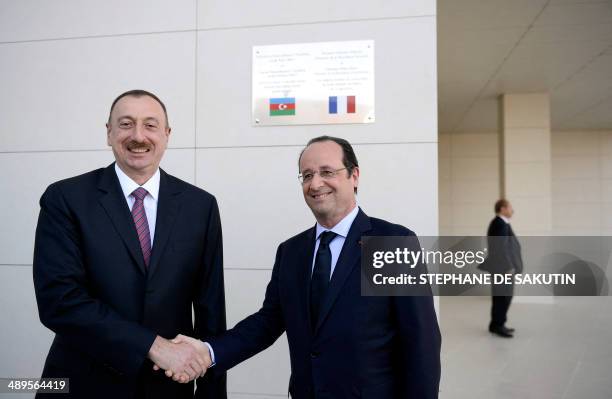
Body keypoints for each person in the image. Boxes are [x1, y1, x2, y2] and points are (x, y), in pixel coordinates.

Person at [175, 136, 441, 398]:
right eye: (307, 175)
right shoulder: (292, 252)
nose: (315, 183)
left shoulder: (392, 242)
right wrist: (208, 352)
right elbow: (267, 323)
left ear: (354, 176)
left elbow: (421, 342)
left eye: (327, 172)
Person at [33, 90, 226, 398]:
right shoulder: (65, 199)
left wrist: (211, 392)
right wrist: (152, 346)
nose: (138, 136)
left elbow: (210, 310)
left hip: (168, 388)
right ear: (109, 133)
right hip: (81, 384)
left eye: (150, 125)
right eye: (125, 124)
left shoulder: (200, 206)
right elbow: (60, 301)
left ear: (167, 134)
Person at [478, 199, 523, 338]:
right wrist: (509, 267)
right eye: (510, 207)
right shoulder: (500, 223)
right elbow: (501, 248)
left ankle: (497, 324)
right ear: (502, 209)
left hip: (501, 269)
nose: (512, 210)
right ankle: (497, 325)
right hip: (503, 269)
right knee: (503, 297)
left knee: (502, 297)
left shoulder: (502, 223)